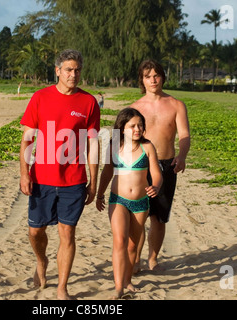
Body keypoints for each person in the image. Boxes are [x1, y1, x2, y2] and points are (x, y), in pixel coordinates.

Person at [19, 49, 100, 300]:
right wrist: (24, 173)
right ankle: (41, 261)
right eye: (68, 70)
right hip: (41, 178)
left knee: (67, 234)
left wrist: (93, 182)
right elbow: (27, 140)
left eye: (77, 70)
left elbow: (94, 144)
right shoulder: (40, 98)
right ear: (57, 71)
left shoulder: (88, 102)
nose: (73, 74)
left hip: (74, 180)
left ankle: (62, 288)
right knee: (36, 231)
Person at [96, 108, 162, 299]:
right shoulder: (114, 146)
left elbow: (156, 173)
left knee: (133, 246)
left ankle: (127, 280)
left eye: (140, 125)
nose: (137, 129)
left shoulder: (147, 146)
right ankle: (119, 288)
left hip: (141, 203)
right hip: (118, 200)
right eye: (132, 125)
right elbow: (107, 172)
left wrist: (156, 186)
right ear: (122, 127)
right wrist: (100, 195)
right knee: (119, 241)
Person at [131, 59, 190, 272]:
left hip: (166, 166)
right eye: (148, 76)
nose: (153, 80)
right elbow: (126, 140)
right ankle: (135, 259)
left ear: (163, 77)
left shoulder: (176, 105)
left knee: (159, 217)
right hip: (140, 167)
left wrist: (182, 155)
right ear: (142, 80)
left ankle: (153, 258)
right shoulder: (134, 108)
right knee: (138, 216)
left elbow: (184, 134)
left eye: (156, 75)